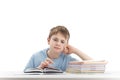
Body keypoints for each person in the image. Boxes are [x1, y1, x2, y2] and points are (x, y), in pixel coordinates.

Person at [24, 25, 93, 72]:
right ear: (48, 40)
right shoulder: (36, 56)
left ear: (66, 45)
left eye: (62, 42)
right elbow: (24, 75)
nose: (58, 43)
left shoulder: (67, 60)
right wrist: (39, 68)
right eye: (55, 40)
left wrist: (75, 50)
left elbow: (93, 66)